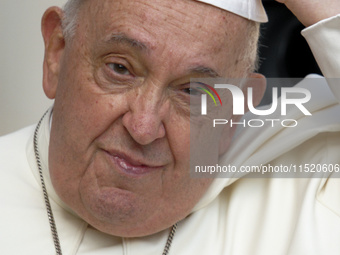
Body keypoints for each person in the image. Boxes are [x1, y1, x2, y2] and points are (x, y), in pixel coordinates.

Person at [0, 0, 340, 254]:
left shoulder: (307, 192)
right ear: (57, 54)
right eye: (120, 68)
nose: (144, 127)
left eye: (192, 91)